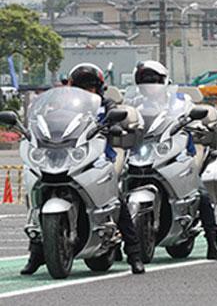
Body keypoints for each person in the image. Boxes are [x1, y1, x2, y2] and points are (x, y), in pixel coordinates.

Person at [21, 63, 146, 275]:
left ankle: (134, 254)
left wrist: (115, 122)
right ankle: (36, 253)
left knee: (115, 196)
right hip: (61, 154)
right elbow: (41, 120)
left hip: (96, 155)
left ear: (99, 88)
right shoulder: (57, 105)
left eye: (91, 86)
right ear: (71, 85)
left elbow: (117, 119)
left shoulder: (105, 105)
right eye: (81, 85)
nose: (86, 89)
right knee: (38, 193)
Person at [134, 61, 217, 260]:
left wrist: (195, 124)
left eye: (153, 81)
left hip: (178, 151)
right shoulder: (136, 105)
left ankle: (213, 243)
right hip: (146, 152)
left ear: (164, 80)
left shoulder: (180, 101)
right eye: (145, 81)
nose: (150, 86)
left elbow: (194, 117)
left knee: (199, 191)